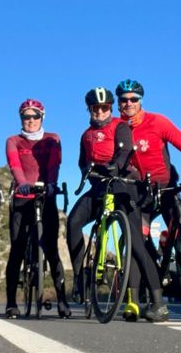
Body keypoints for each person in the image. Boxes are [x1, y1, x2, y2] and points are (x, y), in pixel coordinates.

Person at [66, 87, 167, 322]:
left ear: (110, 108)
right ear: (90, 109)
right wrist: (88, 172)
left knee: (137, 243)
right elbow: (82, 162)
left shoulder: (119, 126)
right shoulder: (86, 135)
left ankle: (158, 302)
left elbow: (126, 149)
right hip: (99, 187)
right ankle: (80, 278)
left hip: (123, 185)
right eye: (96, 108)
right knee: (73, 222)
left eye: (104, 108)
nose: (100, 112)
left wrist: (116, 166)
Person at [115, 79, 181, 315]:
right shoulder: (118, 128)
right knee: (137, 241)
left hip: (166, 187)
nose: (129, 103)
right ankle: (133, 300)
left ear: (140, 101)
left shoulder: (157, 121)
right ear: (118, 103)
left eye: (134, 99)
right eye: (124, 100)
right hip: (140, 192)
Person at [5, 99, 70, 319]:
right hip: (22, 198)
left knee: (52, 250)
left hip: (45, 196)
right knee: (17, 248)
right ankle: (11, 303)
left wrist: (51, 184)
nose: (31, 120)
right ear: (21, 118)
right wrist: (22, 182)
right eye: (26, 116)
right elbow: (14, 164)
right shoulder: (13, 141)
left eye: (35, 116)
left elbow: (54, 165)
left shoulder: (53, 139)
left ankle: (62, 301)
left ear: (42, 117)